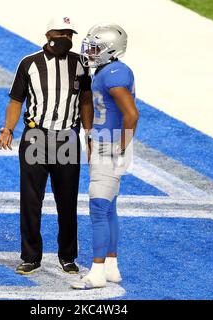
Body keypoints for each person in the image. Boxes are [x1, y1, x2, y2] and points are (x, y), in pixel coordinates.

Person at [0, 17, 93, 275]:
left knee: (67, 200)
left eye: (70, 34)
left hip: (67, 137)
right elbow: (16, 100)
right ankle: (30, 256)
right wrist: (8, 129)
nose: (66, 38)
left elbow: (85, 101)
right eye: (61, 33)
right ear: (49, 33)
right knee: (30, 200)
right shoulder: (29, 63)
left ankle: (68, 256)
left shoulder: (80, 64)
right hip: (35, 136)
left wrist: (89, 134)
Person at [72, 23, 139, 289]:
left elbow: (131, 114)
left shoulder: (114, 72)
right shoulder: (106, 70)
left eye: (96, 47)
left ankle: (97, 271)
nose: (90, 51)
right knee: (108, 207)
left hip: (109, 145)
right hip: (104, 142)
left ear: (111, 49)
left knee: (98, 208)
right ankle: (111, 265)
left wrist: (121, 145)